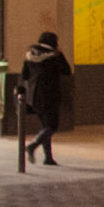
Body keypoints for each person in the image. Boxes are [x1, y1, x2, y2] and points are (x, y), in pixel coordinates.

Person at [20, 32, 71, 166]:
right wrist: (61, 54)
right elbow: (67, 71)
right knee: (52, 126)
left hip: (34, 98)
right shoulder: (54, 57)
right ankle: (33, 145)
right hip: (50, 96)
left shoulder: (30, 56)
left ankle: (48, 158)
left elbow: (24, 76)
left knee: (45, 126)